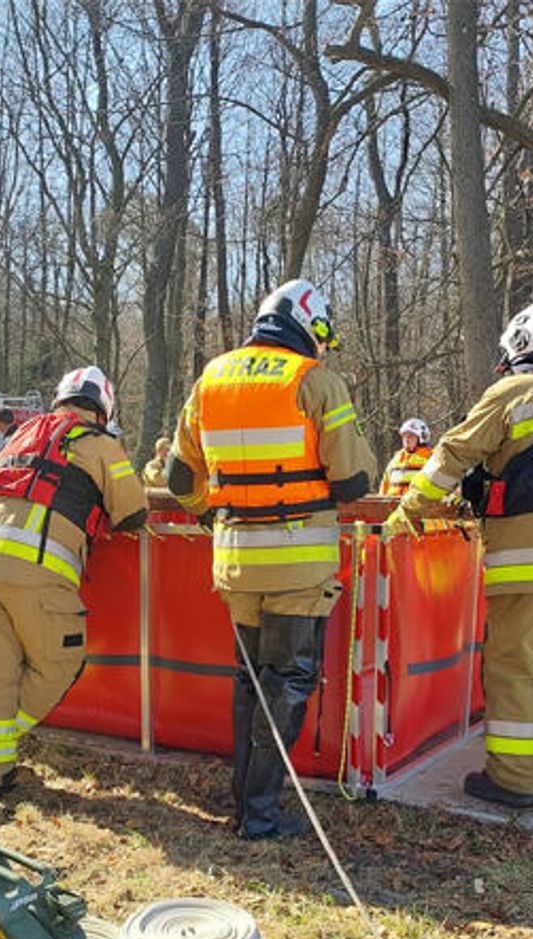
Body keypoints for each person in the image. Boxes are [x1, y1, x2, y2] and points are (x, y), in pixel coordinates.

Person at [389, 300, 533, 819]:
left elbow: (454, 454)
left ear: (522, 344)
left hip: (528, 559)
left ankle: (514, 778)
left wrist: (410, 509)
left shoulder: (516, 391)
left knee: (515, 667)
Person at [168, 279, 376, 840]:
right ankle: (259, 814)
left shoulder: (211, 378)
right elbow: (353, 481)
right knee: (286, 682)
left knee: (250, 681)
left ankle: (246, 806)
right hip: (298, 566)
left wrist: (213, 515)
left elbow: (180, 478)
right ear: (309, 326)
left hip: (236, 561)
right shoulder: (315, 381)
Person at [0, 367, 148, 797]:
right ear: (103, 409)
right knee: (61, 661)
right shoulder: (101, 444)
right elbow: (133, 514)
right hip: (35, 570)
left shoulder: (24, 433)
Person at [379, 419, 433, 495]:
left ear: (421, 438)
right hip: (393, 501)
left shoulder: (431, 458)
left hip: (418, 501)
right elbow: (385, 484)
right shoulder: (397, 459)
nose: (406, 440)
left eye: (410, 436)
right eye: (404, 436)